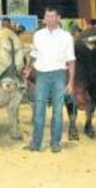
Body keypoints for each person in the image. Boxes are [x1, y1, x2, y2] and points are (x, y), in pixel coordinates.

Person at [24, 8, 76, 153]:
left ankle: (55, 143)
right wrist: (29, 68)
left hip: (60, 75)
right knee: (39, 110)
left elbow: (71, 60)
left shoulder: (66, 36)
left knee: (57, 111)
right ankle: (36, 143)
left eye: (53, 16)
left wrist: (71, 82)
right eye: (47, 16)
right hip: (41, 75)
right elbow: (34, 54)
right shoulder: (38, 35)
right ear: (44, 18)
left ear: (58, 18)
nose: (50, 19)